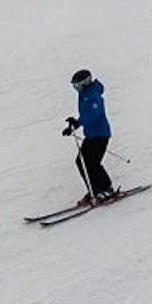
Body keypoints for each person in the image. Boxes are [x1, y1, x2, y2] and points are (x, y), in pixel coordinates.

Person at [63, 69, 117, 203]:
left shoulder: (93, 95)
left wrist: (77, 123)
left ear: (85, 83)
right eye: (74, 86)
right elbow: (86, 115)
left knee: (92, 163)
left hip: (100, 134)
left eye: (77, 85)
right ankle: (94, 190)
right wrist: (73, 126)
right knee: (81, 161)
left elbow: (93, 114)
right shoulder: (85, 94)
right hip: (91, 135)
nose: (76, 89)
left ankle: (106, 189)